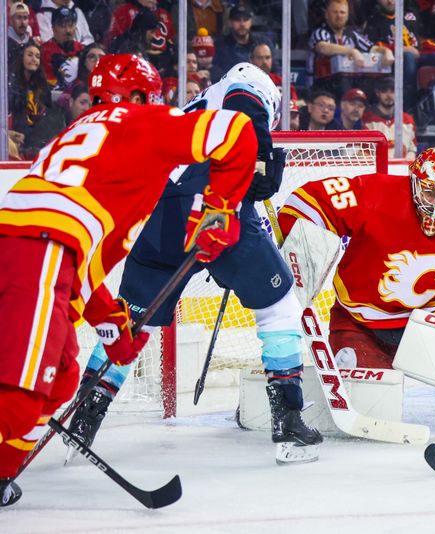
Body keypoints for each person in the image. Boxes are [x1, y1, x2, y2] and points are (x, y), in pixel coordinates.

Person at [0, 53, 257, 507]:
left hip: (31, 251)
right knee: (20, 396)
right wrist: (219, 208)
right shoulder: (144, 121)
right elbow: (236, 131)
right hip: (40, 251)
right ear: (142, 96)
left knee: (61, 378)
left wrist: (111, 324)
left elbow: (74, 254)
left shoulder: (71, 136)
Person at [71, 63, 323, 464]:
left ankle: (83, 416)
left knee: (131, 322)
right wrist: (260, 163)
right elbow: (247, 112)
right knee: (278, 309)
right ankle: (289, 422)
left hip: (154, 219)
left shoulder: (195, 104)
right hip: (213, 213)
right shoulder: (247, 85)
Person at [276, 148, 435, 369]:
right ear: (414, 182)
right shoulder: (376, 193)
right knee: (359, 383)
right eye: (430, 192)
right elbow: (311, 200)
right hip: (360, 321)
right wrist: (297, 238)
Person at [308, 0, 394, 98]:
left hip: (349, 84)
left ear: (347, 16)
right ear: (327, 15)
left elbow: (371, 48)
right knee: (343, 81)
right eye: (335, 12)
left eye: (342, 12)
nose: (339, 16)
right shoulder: (320, 32)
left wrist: (386, 51)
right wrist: (351, 51)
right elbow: (322, 47)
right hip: (321, 87)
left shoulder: (353, 34)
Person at [211, 4, 273, 82]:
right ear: (230, 22)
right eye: (237, 20)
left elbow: (274, 69)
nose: (242, 24)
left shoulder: (263, 42)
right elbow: (217, 74)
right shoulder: (220, 45)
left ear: (251, 22)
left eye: (245, 19)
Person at [363, 77, 418, 160]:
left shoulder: (408, 120)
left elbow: (412, 150)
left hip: (401, 169)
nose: (389, 95)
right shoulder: (368, 120)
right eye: (384, 91)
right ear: (378, 93)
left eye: (392, 91)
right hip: (377, 170)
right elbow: (365, 153)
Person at [41, 6, 83, 88]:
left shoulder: (82, 49)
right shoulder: (43, 51)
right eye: (62, 26)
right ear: (53, 29)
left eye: (71, 25)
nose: (68, 30)